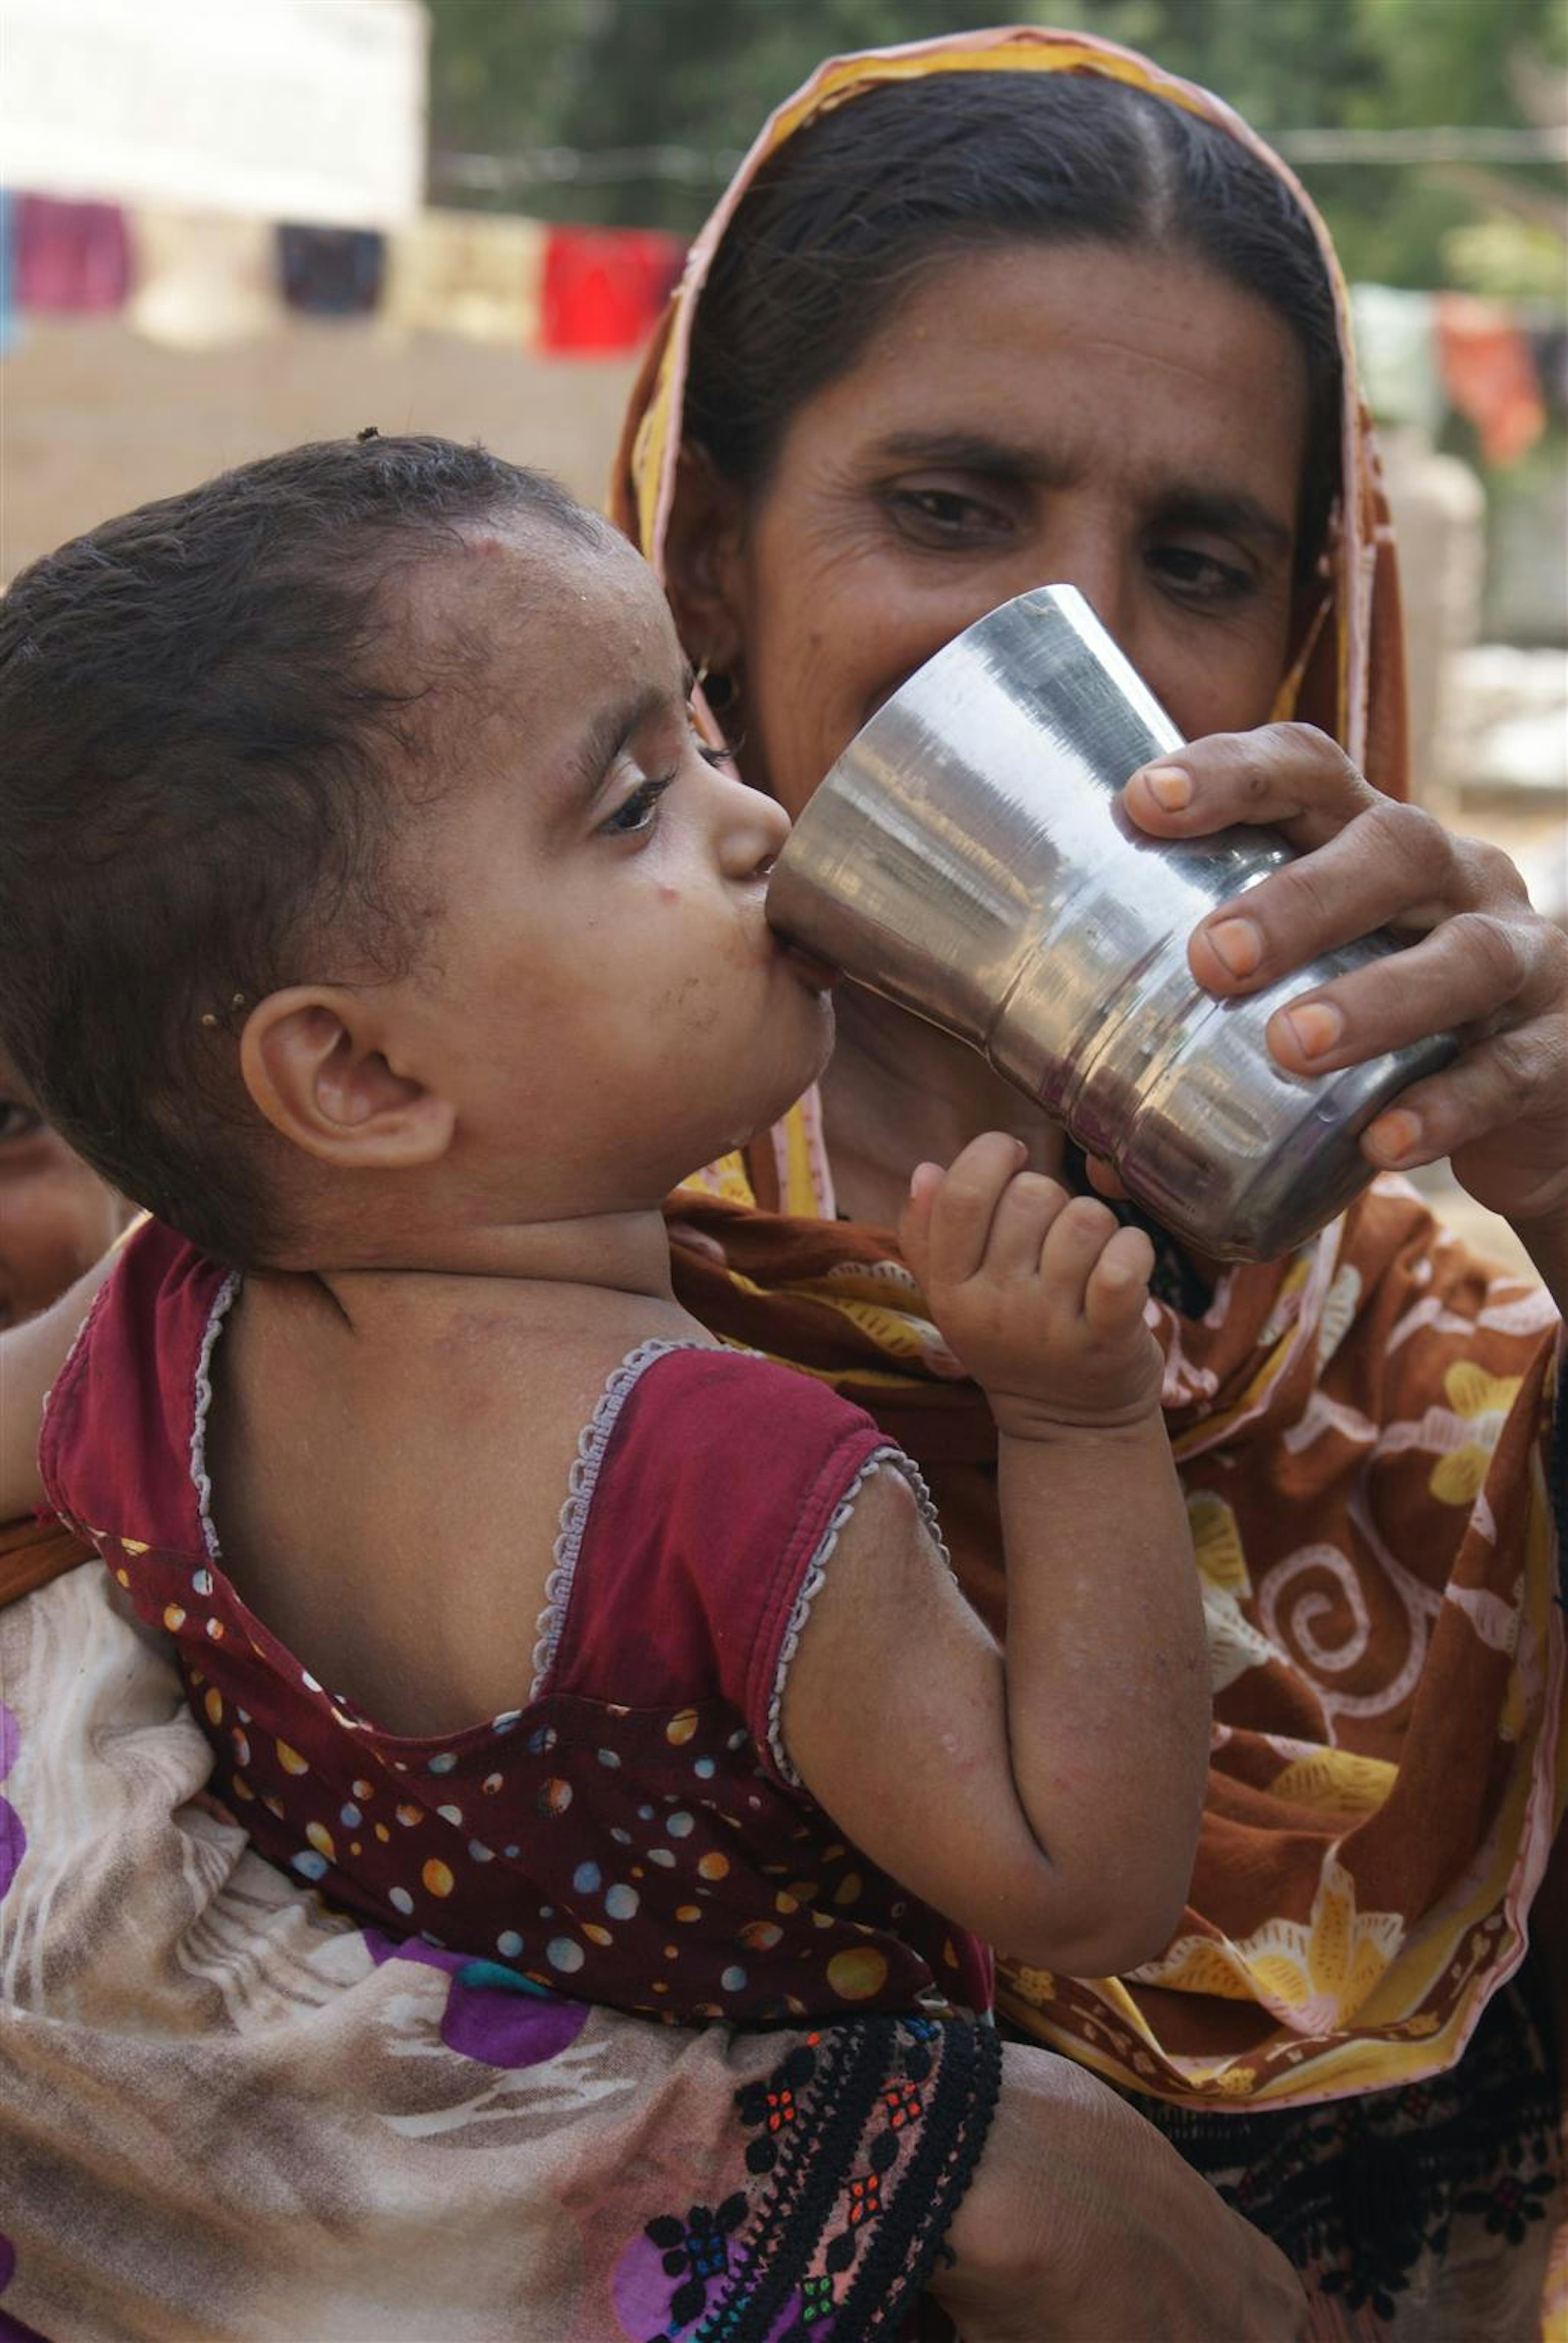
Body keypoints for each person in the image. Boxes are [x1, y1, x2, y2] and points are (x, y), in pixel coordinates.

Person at [605, 24, 1568, 2334]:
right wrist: (949, 2167)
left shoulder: (1447, 1332)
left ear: (1308, 636)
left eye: (1202, 558)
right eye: (949, 510)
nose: (1087, 648)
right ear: (715, 562)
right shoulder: (457, 1277)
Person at [1, 430, 1214, 2039]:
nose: (762, 825)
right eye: (638, 804)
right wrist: (1077, 1415)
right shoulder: (733, 1473)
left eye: (706, 741)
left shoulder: (150, 1331)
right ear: (357, 1073)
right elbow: (1087, 1886)